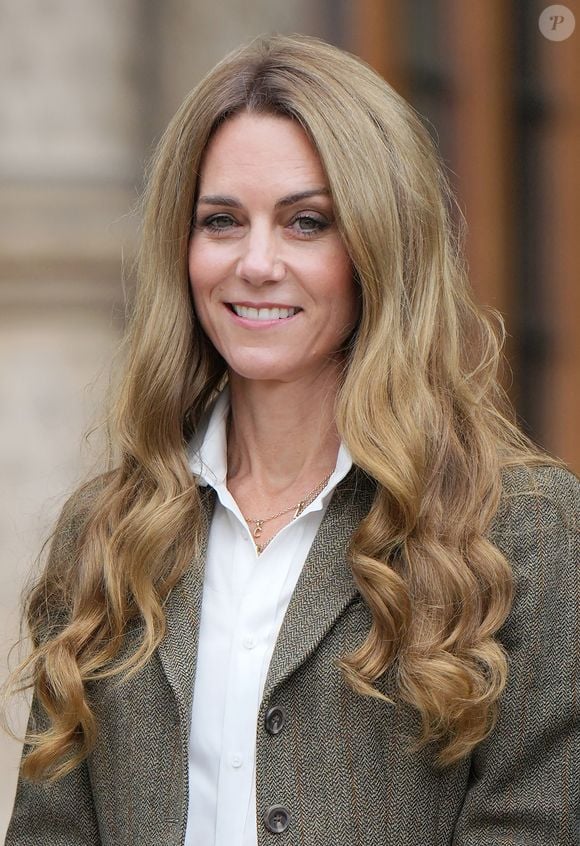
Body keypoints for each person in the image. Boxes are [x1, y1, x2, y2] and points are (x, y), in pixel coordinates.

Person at [5, 33, 579, 846]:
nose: (256, 262)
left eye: (306, 223)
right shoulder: (107, 532)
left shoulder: (525, 531)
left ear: (377, 245)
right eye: (221, 221)